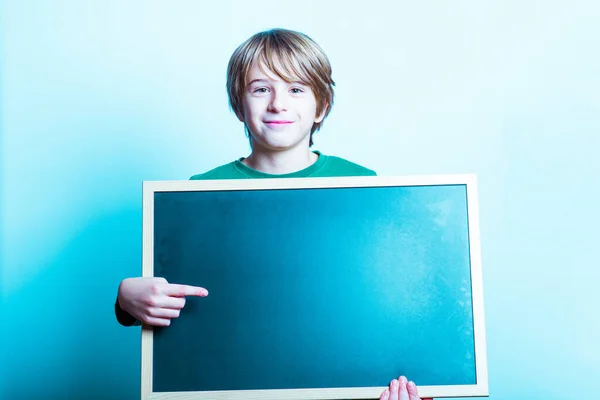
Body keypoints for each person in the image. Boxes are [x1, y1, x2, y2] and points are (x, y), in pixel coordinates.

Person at [115, 28, 431, 400]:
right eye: (261, 88)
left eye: (296, 89)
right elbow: (177, 301)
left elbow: (386, 300)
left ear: (322, 106)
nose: (278, 104)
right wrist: (124, 302)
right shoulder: (199, 192)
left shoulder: (362, 185)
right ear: (238, 104)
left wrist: (415, 382)